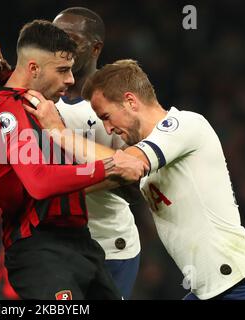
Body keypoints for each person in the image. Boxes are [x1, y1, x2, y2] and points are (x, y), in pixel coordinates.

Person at [28, 59, 245, 300]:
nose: (108, 129)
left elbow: (123, 162)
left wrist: (58, 131)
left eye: (107, 116)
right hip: (208, 290)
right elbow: (95, 179)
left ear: (131, 101)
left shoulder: (184, 125)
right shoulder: (148, 162)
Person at [0, 20, 146, 300]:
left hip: (82, 242)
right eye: (62, 70)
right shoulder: (7, 109)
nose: (70, 79)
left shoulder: (40, 105)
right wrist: (109, 165)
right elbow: (39, 182)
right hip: (40, 249)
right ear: (33, 69)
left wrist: (5, 77)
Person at [52, 7, 141, 298]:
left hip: (110, 244)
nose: (60, 48)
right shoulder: (38, 97)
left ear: (95, 47)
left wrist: (59, 188)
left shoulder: (119, 100)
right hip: (55, 245)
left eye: (70, 40)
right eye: (55, 38)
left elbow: (133, 177)